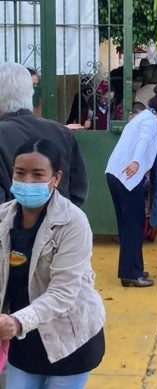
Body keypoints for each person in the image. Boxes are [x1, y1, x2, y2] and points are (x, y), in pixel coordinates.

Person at [0, 139, 105, 388]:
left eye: (38, 174)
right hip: (20, 344)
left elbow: (63, 292)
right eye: (20, 173)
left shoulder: (73, 223)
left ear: (56, 178)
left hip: (69, 343)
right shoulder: (3, 218)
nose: (27, 181)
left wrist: (16, 322)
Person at [105, 83, 157, 287]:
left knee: (129, 227)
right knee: (134, 227)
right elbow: (144, 142)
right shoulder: (151, 122)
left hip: (117, 175)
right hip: (127, 177)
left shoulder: (145, 117)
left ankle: (132, 269)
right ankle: (131, 273)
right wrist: (137, 161)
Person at [0, 62, 88, 207]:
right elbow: (78, 190)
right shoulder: (62, 132)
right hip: (58, 225)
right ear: (31, 93)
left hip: (9, 227)